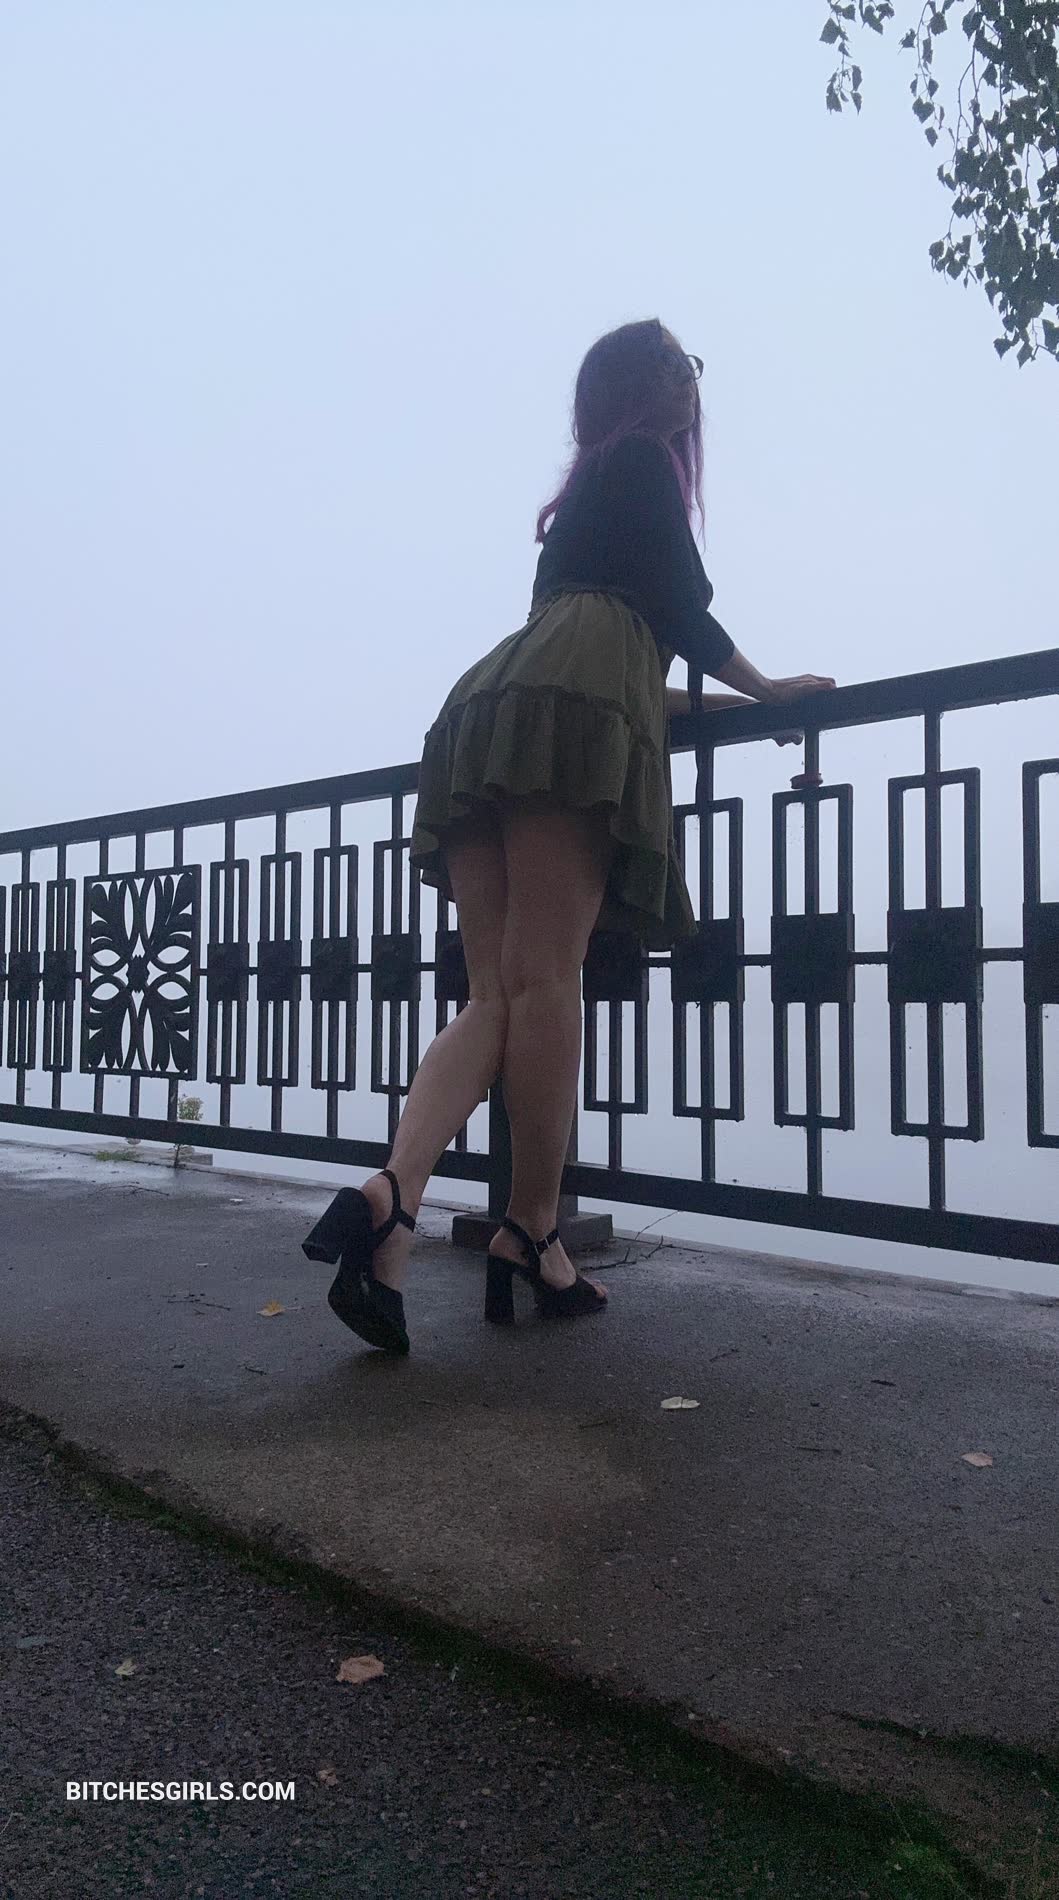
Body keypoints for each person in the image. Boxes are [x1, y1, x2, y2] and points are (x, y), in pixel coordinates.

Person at [301, 318, 835, 1353]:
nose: (691, 380)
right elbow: (675, 622)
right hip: (559, 712)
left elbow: (610, 674)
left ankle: (389, 1205)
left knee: (496, 994)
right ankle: (533, 1232)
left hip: (488, 711)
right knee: (547, 981)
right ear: (649, 389)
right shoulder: (642, 463)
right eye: (678, 364)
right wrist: (769, 687)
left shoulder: (587, 498)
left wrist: (743, 712)